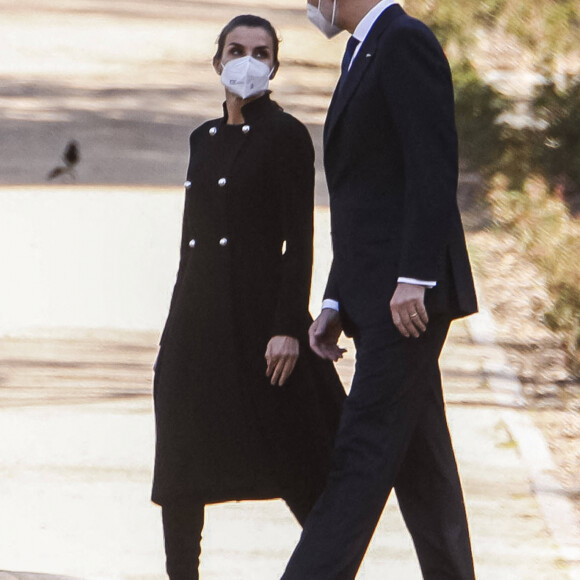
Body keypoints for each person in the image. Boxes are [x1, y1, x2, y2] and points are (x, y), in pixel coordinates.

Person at [281, 1, 478, 578]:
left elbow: (432, 165)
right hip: (373, 293)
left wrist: (415, 276)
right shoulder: (362, 48)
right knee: (423, 465)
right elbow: (365, 194)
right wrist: (336, 300)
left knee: (361, 455)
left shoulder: (404, 41)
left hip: (406, 299)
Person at [151, 15, 346, 580]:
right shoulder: (202, 139)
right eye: (235, 50)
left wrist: (287, 326)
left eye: (260, 53)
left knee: (301, 462)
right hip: (197, 324)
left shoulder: (285, 135)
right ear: (217, 62)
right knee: (182, 464)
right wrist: (174, 333)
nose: (246, 61)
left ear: (274, 67)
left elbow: (300, 239)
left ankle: (329, 569)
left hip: (263, 325)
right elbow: (193, 246)